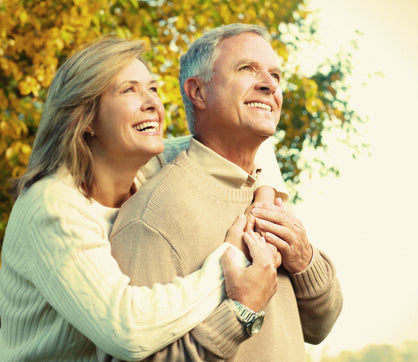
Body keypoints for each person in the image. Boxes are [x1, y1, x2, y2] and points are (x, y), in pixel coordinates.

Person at [0, 37, 286, 361]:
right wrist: (230, 262)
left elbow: (252, 142)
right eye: (129, 90)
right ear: (86, 118)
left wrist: (262, 208)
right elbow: (126, 331)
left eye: (152, 89)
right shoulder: (52, 206)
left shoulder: (148, 170)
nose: (152, 103)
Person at [106, 23, 343, 361]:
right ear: (198, 93)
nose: (269, 84)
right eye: (247, 69)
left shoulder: (269, 198)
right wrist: (240, 313)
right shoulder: (152, 217)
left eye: (276, 75)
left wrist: (305, 260)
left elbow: (320, 327)